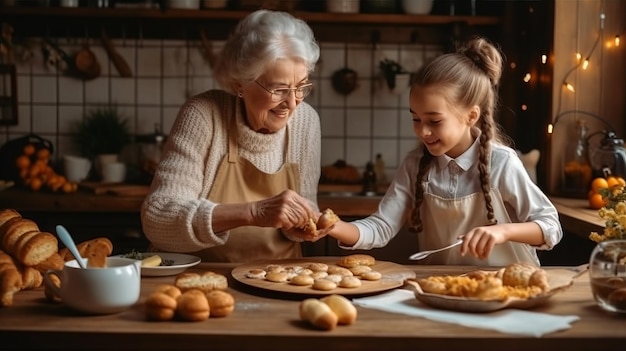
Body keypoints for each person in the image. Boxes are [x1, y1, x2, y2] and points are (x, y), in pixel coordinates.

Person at [325, 37, 562, 266]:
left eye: (434, 121)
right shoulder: (415, 164)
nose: (422, 131)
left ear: (471, 116)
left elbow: (551, 227)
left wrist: (504, 232)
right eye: (416, 119)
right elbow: (381, 227)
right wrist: (333, 226)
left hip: (508, 290)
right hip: (441, 290)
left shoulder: (501, 163)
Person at [141, 10, 325, 263]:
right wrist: (253, 212)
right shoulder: (204, 115)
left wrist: (301, 225)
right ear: (241, 84)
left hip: (278, 280)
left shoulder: (306, 122)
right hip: (199, 279)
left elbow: (306, 209)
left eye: (301, 86)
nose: (292, 103)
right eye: (279, 89)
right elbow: (158, 219)